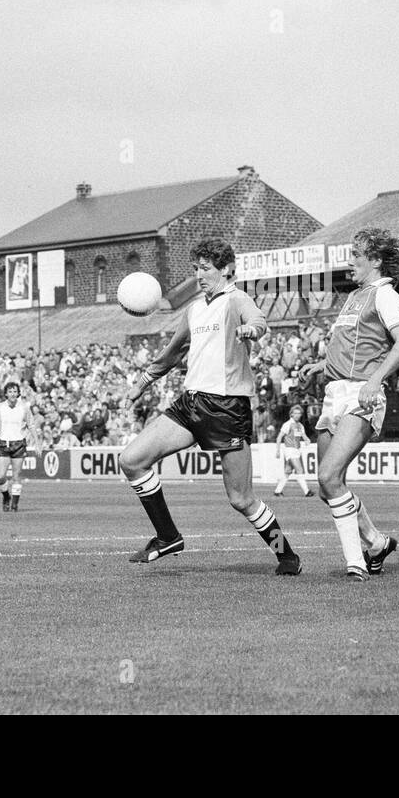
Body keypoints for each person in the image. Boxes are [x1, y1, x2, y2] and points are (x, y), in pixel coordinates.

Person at [121, 238, 302, 576]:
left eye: (205, 269)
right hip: (190, 403)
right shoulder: (194, 308)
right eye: (196, 269)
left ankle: (286, 555)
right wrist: (142, 383)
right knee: (131, 460)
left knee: (242, 499)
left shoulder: (237, 300)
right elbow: (174, 352)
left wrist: (252, 329)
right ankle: (168, 536)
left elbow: (260, 320)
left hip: (226, 408)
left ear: (225, 270)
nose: (199, 275)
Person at [297, 227, 399, 581]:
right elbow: (351, 346)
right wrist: (322, 365)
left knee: (329, 476)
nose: (351, 262)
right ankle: (376, 543)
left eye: (357, 255)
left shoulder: (386, 295)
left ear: (376, 260)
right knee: (327, 487)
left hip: (362, 393)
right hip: (335, 392)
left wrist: (375, 380)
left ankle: (356, 564)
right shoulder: (355, 296)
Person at [0, 381, 33, 511]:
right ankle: (6, 496)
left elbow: (31, 425)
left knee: (16, 476)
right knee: (0, 477)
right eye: (10, 391)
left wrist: (37, 443)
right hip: (4, 444)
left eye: (15, 391)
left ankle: (14, 504)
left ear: (18, 393)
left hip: (18, 443)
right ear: (6, 394)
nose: (13, 394)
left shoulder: (24, 407)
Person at [273, 404, 312, 497]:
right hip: (289, 450)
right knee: (299, 470)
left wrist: (307, 440)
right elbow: (279, 438)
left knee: (288, 471)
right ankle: (307, 491)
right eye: (295, 413)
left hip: (297, 450)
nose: (297, 415)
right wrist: (278, 450)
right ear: (291, 414)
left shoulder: (300, 425)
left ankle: (277, 491)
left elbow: (304, 436)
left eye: (299, 413)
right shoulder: (287, 424)